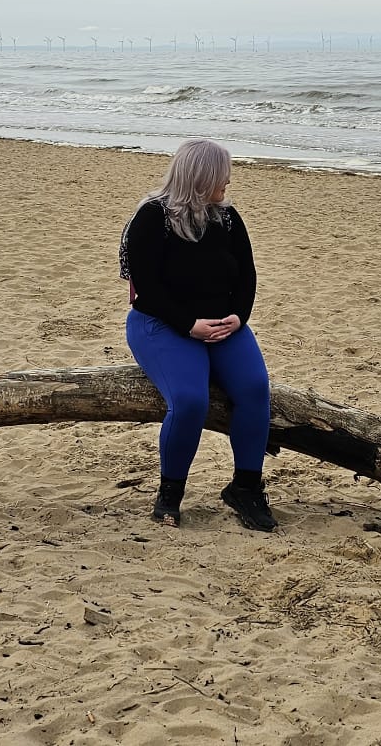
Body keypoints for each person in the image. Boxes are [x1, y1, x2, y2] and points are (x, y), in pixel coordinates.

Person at [118, 138, 275, 531]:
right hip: (161, 323)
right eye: (222, 174)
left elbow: (247, 275)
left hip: (223, 323)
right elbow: (147, 289)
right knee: (190, 400)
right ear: (201, 176)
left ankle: (246, 488)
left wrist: (239, 317)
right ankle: (169, 493)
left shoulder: (226, 217)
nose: (228, 181)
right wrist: (189, 324)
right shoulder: (152, 217)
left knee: (255, 389)